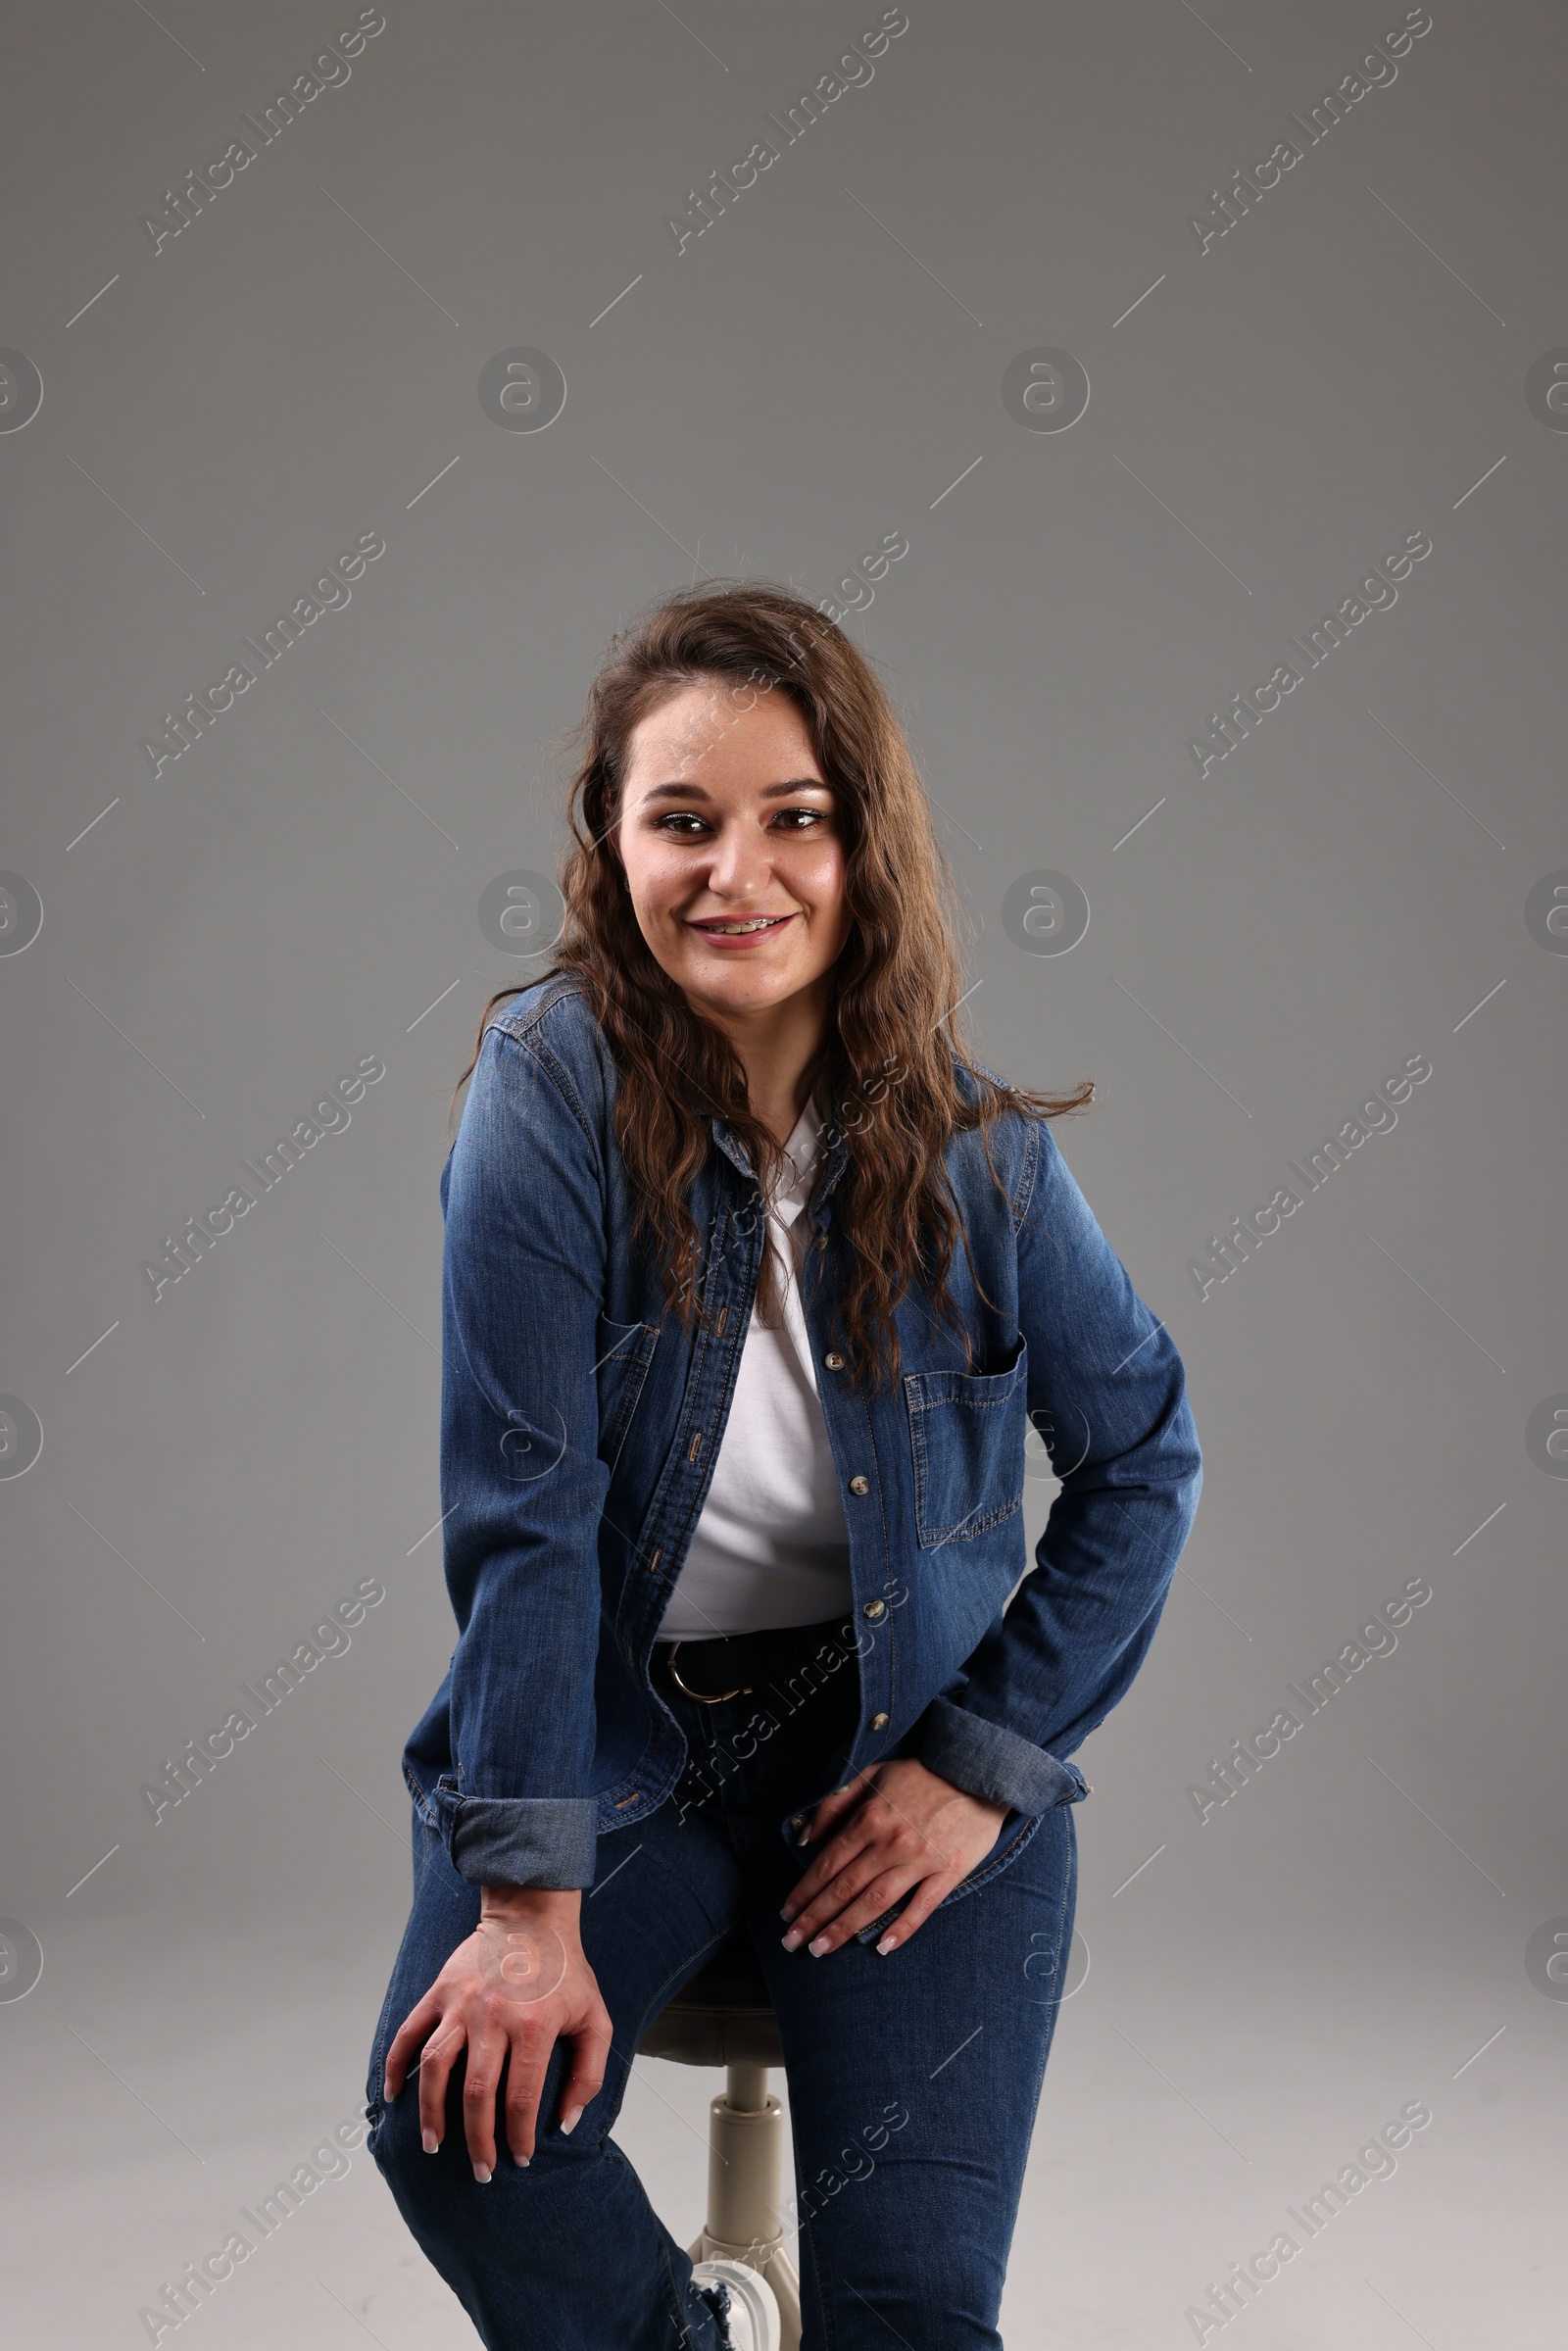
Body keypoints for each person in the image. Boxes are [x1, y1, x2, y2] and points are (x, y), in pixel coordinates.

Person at [363, 582, 1202, 2350]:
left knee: (910, 2317)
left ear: (862, 846)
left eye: (792, 820)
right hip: (614, 1747)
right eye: (682, 821)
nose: (736, 872)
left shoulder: (979, 1158)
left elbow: (1144, 1456)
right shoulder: (544, 1092)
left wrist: (978, 1765)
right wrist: (524, 1904)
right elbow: (528, 1516)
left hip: (894, 1748)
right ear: (612, 841)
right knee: (453, 2123)